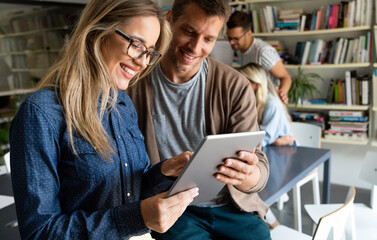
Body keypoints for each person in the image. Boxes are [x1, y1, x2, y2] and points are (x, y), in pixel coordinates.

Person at [9, 0, 199, 239]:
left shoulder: (123, 103)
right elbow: (39, 232)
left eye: (149, 52)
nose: (142, 62)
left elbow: (128, 192)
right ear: (96, 33)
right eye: (136, 44)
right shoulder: (40, 113)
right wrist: (136, 219)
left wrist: (164, 172)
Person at [127, 0, 270, 239]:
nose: (195, 47)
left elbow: (260, 169)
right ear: (169, 20)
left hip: (232, 208)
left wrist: (248, 175)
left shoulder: (234, 86)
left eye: (208, 39)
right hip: (174, 209)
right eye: (188, 32)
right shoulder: (133, 83)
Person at [238, 62, 296, 229]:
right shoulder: (252, 100)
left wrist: (275, 140)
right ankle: (270, 222)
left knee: (253, 188)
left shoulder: (272, 104)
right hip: (270, 149)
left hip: (284, 154)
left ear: (256, 84)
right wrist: (274, 140)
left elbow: (262, 136)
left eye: (243, 81)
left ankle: (272, 224)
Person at [226, 11, 292, 104]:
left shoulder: (263, 52)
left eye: (236, 38)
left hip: (269, 102)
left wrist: (281, 95)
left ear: (249, 33)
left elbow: (285, 77)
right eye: (229, 38)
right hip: (255, 101)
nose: (231, 42)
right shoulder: (239, 48)